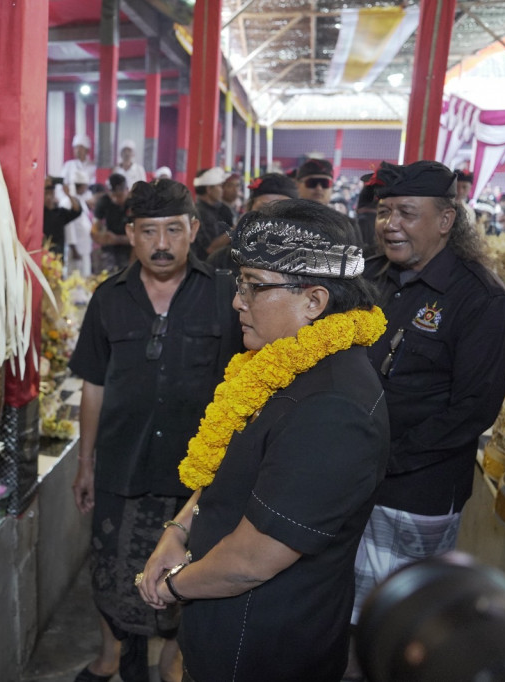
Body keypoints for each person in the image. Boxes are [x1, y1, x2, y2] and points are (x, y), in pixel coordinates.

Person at [138, 198, 389, 681]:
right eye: (240, 284)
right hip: (223, 622)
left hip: (262, 645)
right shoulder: (285, 364)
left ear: (314, 301)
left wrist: (171, 587)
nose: (238, 300)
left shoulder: (332, 409)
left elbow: (252, 560)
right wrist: (179, 530)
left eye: (255, 287)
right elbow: (234, 471)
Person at [70, 179, 242, 682]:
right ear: (130, 233)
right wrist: (85, 462)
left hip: (198, 473)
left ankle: (174, 663)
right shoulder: (109, 298)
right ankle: (112, 658)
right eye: (149, 231)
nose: (162, 243)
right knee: (111, 570)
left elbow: (245, 381)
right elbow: (94, 384)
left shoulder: (225, 296)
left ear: (193, 228)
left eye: (173, 229)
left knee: (189, 575)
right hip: (122, 464)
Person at [353, 160, 505, 635]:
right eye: (384, 212)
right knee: (344, 618)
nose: (390, 225)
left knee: (393, 628)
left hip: (412, 496)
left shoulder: (483, 303)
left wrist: (384, 457)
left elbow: (472, 411)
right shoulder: (375, 277)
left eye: (407, 213)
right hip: (353, 482)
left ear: (446, 220)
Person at [92, 173, 132, 272]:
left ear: (127, 190)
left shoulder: (135, 204)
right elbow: (94, 229)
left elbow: (140, 237)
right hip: (109, 249)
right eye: (112, 196)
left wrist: (117, 239)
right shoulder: (104, 202)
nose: (115, 199)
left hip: (131, 250)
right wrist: (99, 236)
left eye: (119, 196)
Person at [191, 167, 234, 258]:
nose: (222, 190)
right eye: (219, 186)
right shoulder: (199, 212)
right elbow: (210, 248)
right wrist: (236, 229)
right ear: (209, 189)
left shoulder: (222, 209)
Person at [43, 176, 82, 261]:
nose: (49, 197)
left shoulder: (60, 213)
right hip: (42, 256)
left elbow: (77, 210)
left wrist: (68, 194)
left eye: (51, 193)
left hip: (58, 257)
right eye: (46, 194)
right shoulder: (40, 213)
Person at [65, 169, 95, 277]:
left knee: (85, 280)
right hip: (76, 249)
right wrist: (74, 248)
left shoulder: (80, 200)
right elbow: (69, 227)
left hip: (84, 247)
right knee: (75, 283)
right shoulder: (70, 202)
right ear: (81, 186)